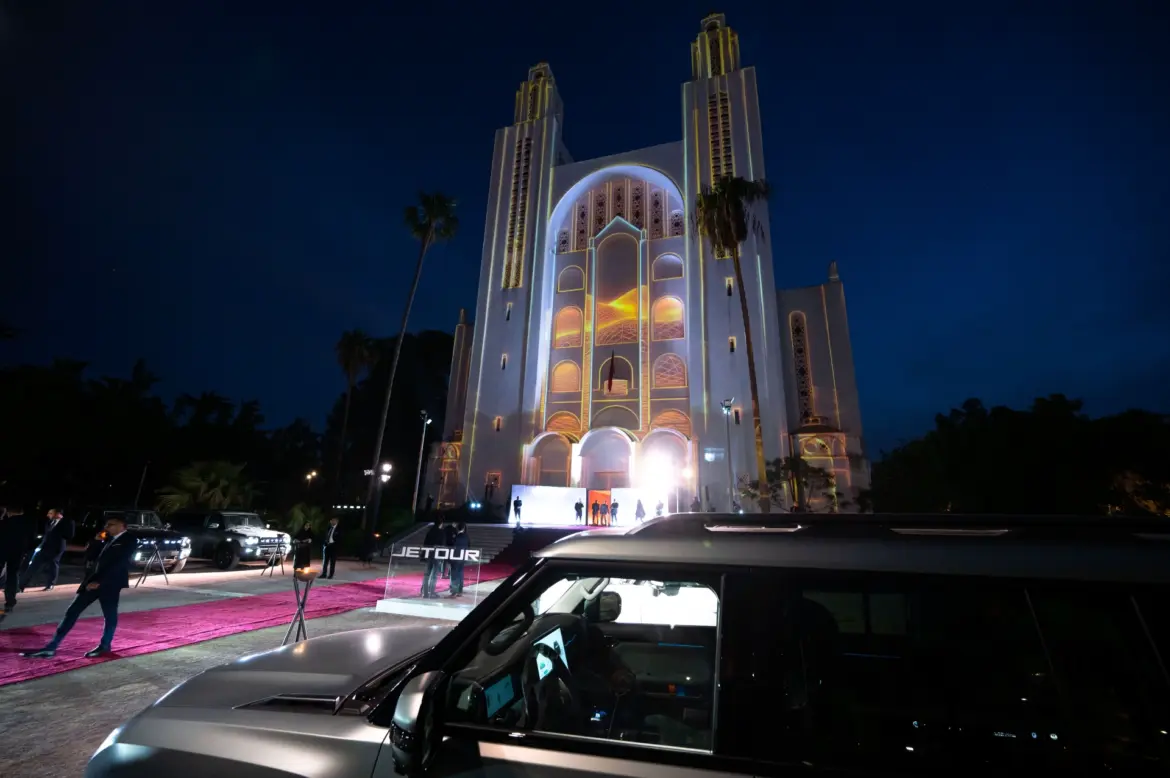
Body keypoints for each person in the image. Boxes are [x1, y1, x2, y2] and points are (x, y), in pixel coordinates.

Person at [23, 514, 136, 658]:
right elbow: (90, 556)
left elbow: (120, 563)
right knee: (72, 611)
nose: (106, 527)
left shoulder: (130, 540)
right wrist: (96, 542)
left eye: (111, 524)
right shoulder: (106, 538)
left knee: (110, 615)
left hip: (109, 583)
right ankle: (51, 646)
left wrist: (100, 581)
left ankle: (105, 645)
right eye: (106, 524)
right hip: (91, 581)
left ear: (122, 526)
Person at [21, 508, 74, 592]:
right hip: (44, 548)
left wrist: (58, 532)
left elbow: (69, 535)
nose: (48, 515)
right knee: (33, 566)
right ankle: (21, 586)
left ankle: (50, 584)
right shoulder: (49, 522)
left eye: (50, 513)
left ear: (58, 514)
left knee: (52, 566)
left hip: (57, 549)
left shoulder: (68, 522)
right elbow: (46, 535)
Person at [1, 506, 33, 617]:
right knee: (12, 575)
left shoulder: (6, 521)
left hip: (2, 551)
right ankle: (10, 602)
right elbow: (32, 540)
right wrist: (25, 551)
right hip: (18, 553)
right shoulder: (28, 523)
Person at [420, 519, 445, 598]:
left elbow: (425, 543)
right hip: (436, 555)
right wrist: (442, 557)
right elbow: (443, 545)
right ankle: (431, 592)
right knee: (434, 575)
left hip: (428, 554)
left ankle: (424, 592)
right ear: (441, 524)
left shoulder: (429, 532)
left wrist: (423, 555)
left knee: (427, 574)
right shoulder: (441, 533)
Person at [448, 523, 470, 597]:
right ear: (464, 529)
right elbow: (469, 546)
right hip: (462, 558)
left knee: (454, 574)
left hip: (454, 558)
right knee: (460, 573)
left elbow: (451, 545)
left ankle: (454, 591)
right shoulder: (466, 537)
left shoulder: (455, 537)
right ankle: (460, 590)